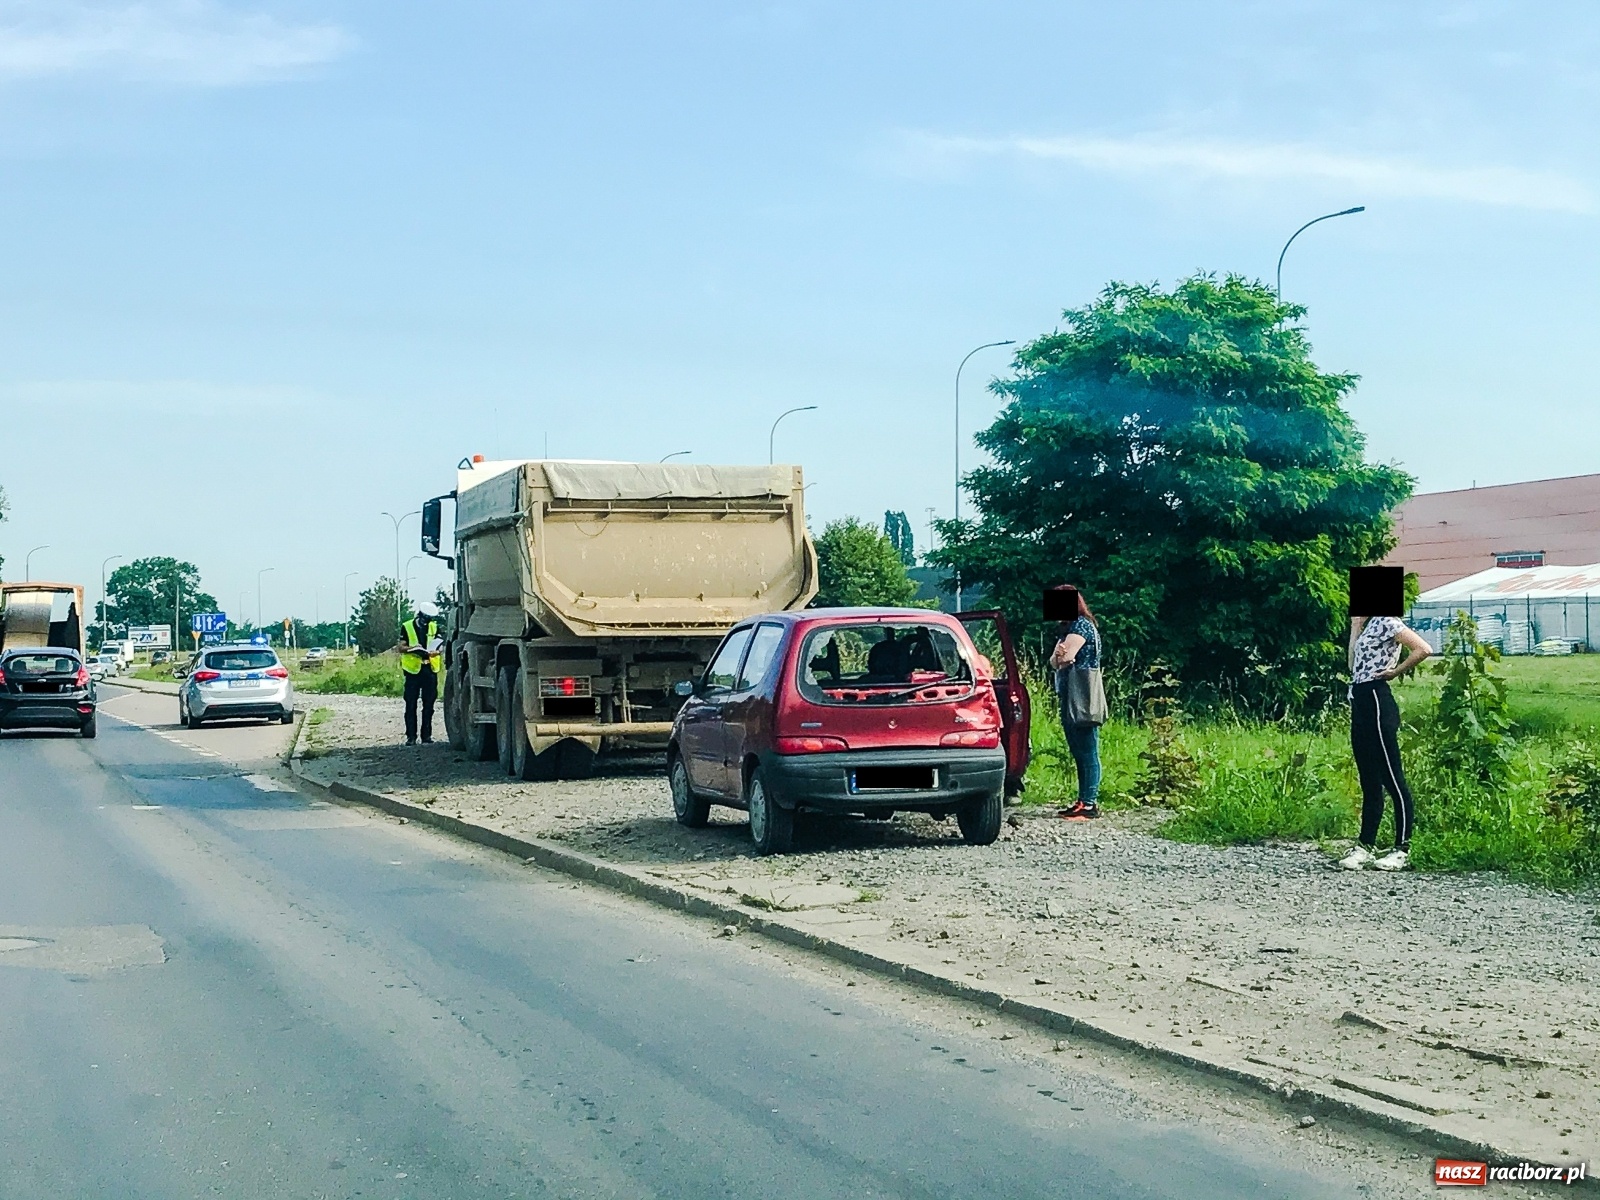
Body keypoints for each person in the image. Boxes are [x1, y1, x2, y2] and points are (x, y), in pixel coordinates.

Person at [1340, 613, 1433, 871]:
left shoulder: (1387, 621)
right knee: (1368, 778)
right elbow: (1353, 666)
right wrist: (1355, 626)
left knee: (1392, 776)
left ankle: (1402, 848)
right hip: (1359, 698)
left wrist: (1395, 672)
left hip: (1377, 698)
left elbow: (1423, 648)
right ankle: (1365, 845)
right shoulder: (1368, 624)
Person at [1048, 585, 1103, 820]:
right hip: (1071, 695)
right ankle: (1083, 800)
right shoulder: (1067, 629)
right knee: (1079, 749)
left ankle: (1089, 803)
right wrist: (1060, 657)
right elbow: (1054, 660)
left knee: (1087, 749)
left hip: (1082, 695)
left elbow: (1066, 656)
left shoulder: (1081, 625)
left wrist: (1061, 656)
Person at [397, 602, 443, 745]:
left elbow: (440, 646)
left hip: (430, 669)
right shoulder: (407, 626)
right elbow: (401, 647)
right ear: (420, 616)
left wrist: (436, 651)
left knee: (429, 705)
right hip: (412, 671)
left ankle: (426, 736)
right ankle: (411, 737)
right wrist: (412, 648)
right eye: (425, 619)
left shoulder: (434, 627)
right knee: (411, 704)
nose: (426, 622)